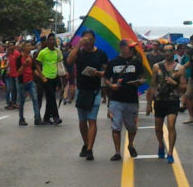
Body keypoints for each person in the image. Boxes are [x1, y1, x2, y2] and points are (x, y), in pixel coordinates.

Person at [67, 30, 108, 161]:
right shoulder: (79, 52)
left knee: (92, 120)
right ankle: (86, 143)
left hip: (95, 90)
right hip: (81, 90)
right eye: (85, 39)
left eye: (90, 39)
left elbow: (106, 70)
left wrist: (99, 73)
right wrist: (78, 46)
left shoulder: (101, 54)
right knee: (82, 121)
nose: (88, 42)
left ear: (94, 40)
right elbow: (69, 61)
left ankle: (89, 149)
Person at [146, 44, 187, 164]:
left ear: (173, 52)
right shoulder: (156, 67)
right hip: (159, 101)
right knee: (158, 128)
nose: (167, 53)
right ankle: (160, 145)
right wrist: (149, 103)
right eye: (165, 51)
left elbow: (184, 87)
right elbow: (153, 86)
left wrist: (175, 83)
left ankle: (170, 152)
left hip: (172, 100)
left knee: (171, 125)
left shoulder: (180, 68)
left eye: (169, 51)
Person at [105, 38, 144, 161]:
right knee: (116, 126)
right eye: (130, 47)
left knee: (132, 127)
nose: (132, 50)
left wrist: (139, 82)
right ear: (122, 48)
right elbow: (106, 78)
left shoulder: (137, 62)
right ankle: (117, 152)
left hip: (132, 99)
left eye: (133, 47)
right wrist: (111, 86)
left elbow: (143, 77)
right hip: (116, 99)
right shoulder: (113, 62)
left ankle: (130, 145)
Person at [36, 33, 63, 125]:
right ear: (47, 41)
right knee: (52, 97)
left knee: (49, 98)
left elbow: (60, 64)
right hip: (46, 78)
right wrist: (42, 76)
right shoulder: (43, 52)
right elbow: (37, 64)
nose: (52, 41)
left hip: (55, 77)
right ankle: (56, 117)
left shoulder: (58, 52)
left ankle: (46, 118)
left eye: (53, 39)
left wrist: (63, 75)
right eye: (50, 40)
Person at [17, 42, 44, 126]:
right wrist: (24, 64)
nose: (30, 47)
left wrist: (41, 77)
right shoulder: (19, 58)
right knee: (22, 101)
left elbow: (33, 69)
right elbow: (18, 72)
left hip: (31, 81)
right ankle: (21, 118)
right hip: (22, 82)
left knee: (35, 99)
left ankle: (37, 118)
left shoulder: (30, 57)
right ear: (24, 48)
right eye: (28, 46)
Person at [5, 42, 21, 110]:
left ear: (14, 46)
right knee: (12, 89)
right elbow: (9, 64)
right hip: (11, 74)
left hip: (17, 74)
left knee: (18, 89)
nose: (10, 47)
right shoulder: (9, 54)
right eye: (9, 46)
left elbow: (20, 63)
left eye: (11, 45)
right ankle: (13, 103)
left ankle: (18, 103)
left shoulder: (17, 53)